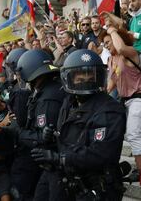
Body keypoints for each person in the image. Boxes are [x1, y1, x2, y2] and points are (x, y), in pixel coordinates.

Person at [30, 49, 126, 200]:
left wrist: (59, 158)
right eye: (79, 76)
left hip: (93, 186)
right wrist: (51, 136)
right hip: (66, 178)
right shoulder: (69, 101)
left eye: (90, 75)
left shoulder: (109, 110)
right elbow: (69, 137)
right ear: (69, 78)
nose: (85, 79)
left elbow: (101, 154)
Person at [2, 50, 66, 200]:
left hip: (49, 160)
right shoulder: (49, 89)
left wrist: (17, 131)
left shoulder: (47, 98)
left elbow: (43, 137)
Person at [99, 21, 141, 183]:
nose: (106, 45)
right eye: (104, 43)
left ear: (117, 38)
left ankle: (139, 171)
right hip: (125, 102)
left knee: (133, 134)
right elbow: (111, 85)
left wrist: (111, 29)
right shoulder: (111, 60)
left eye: (108, 42)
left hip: (138, 99)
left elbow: (121, 47)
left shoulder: (130, 52)